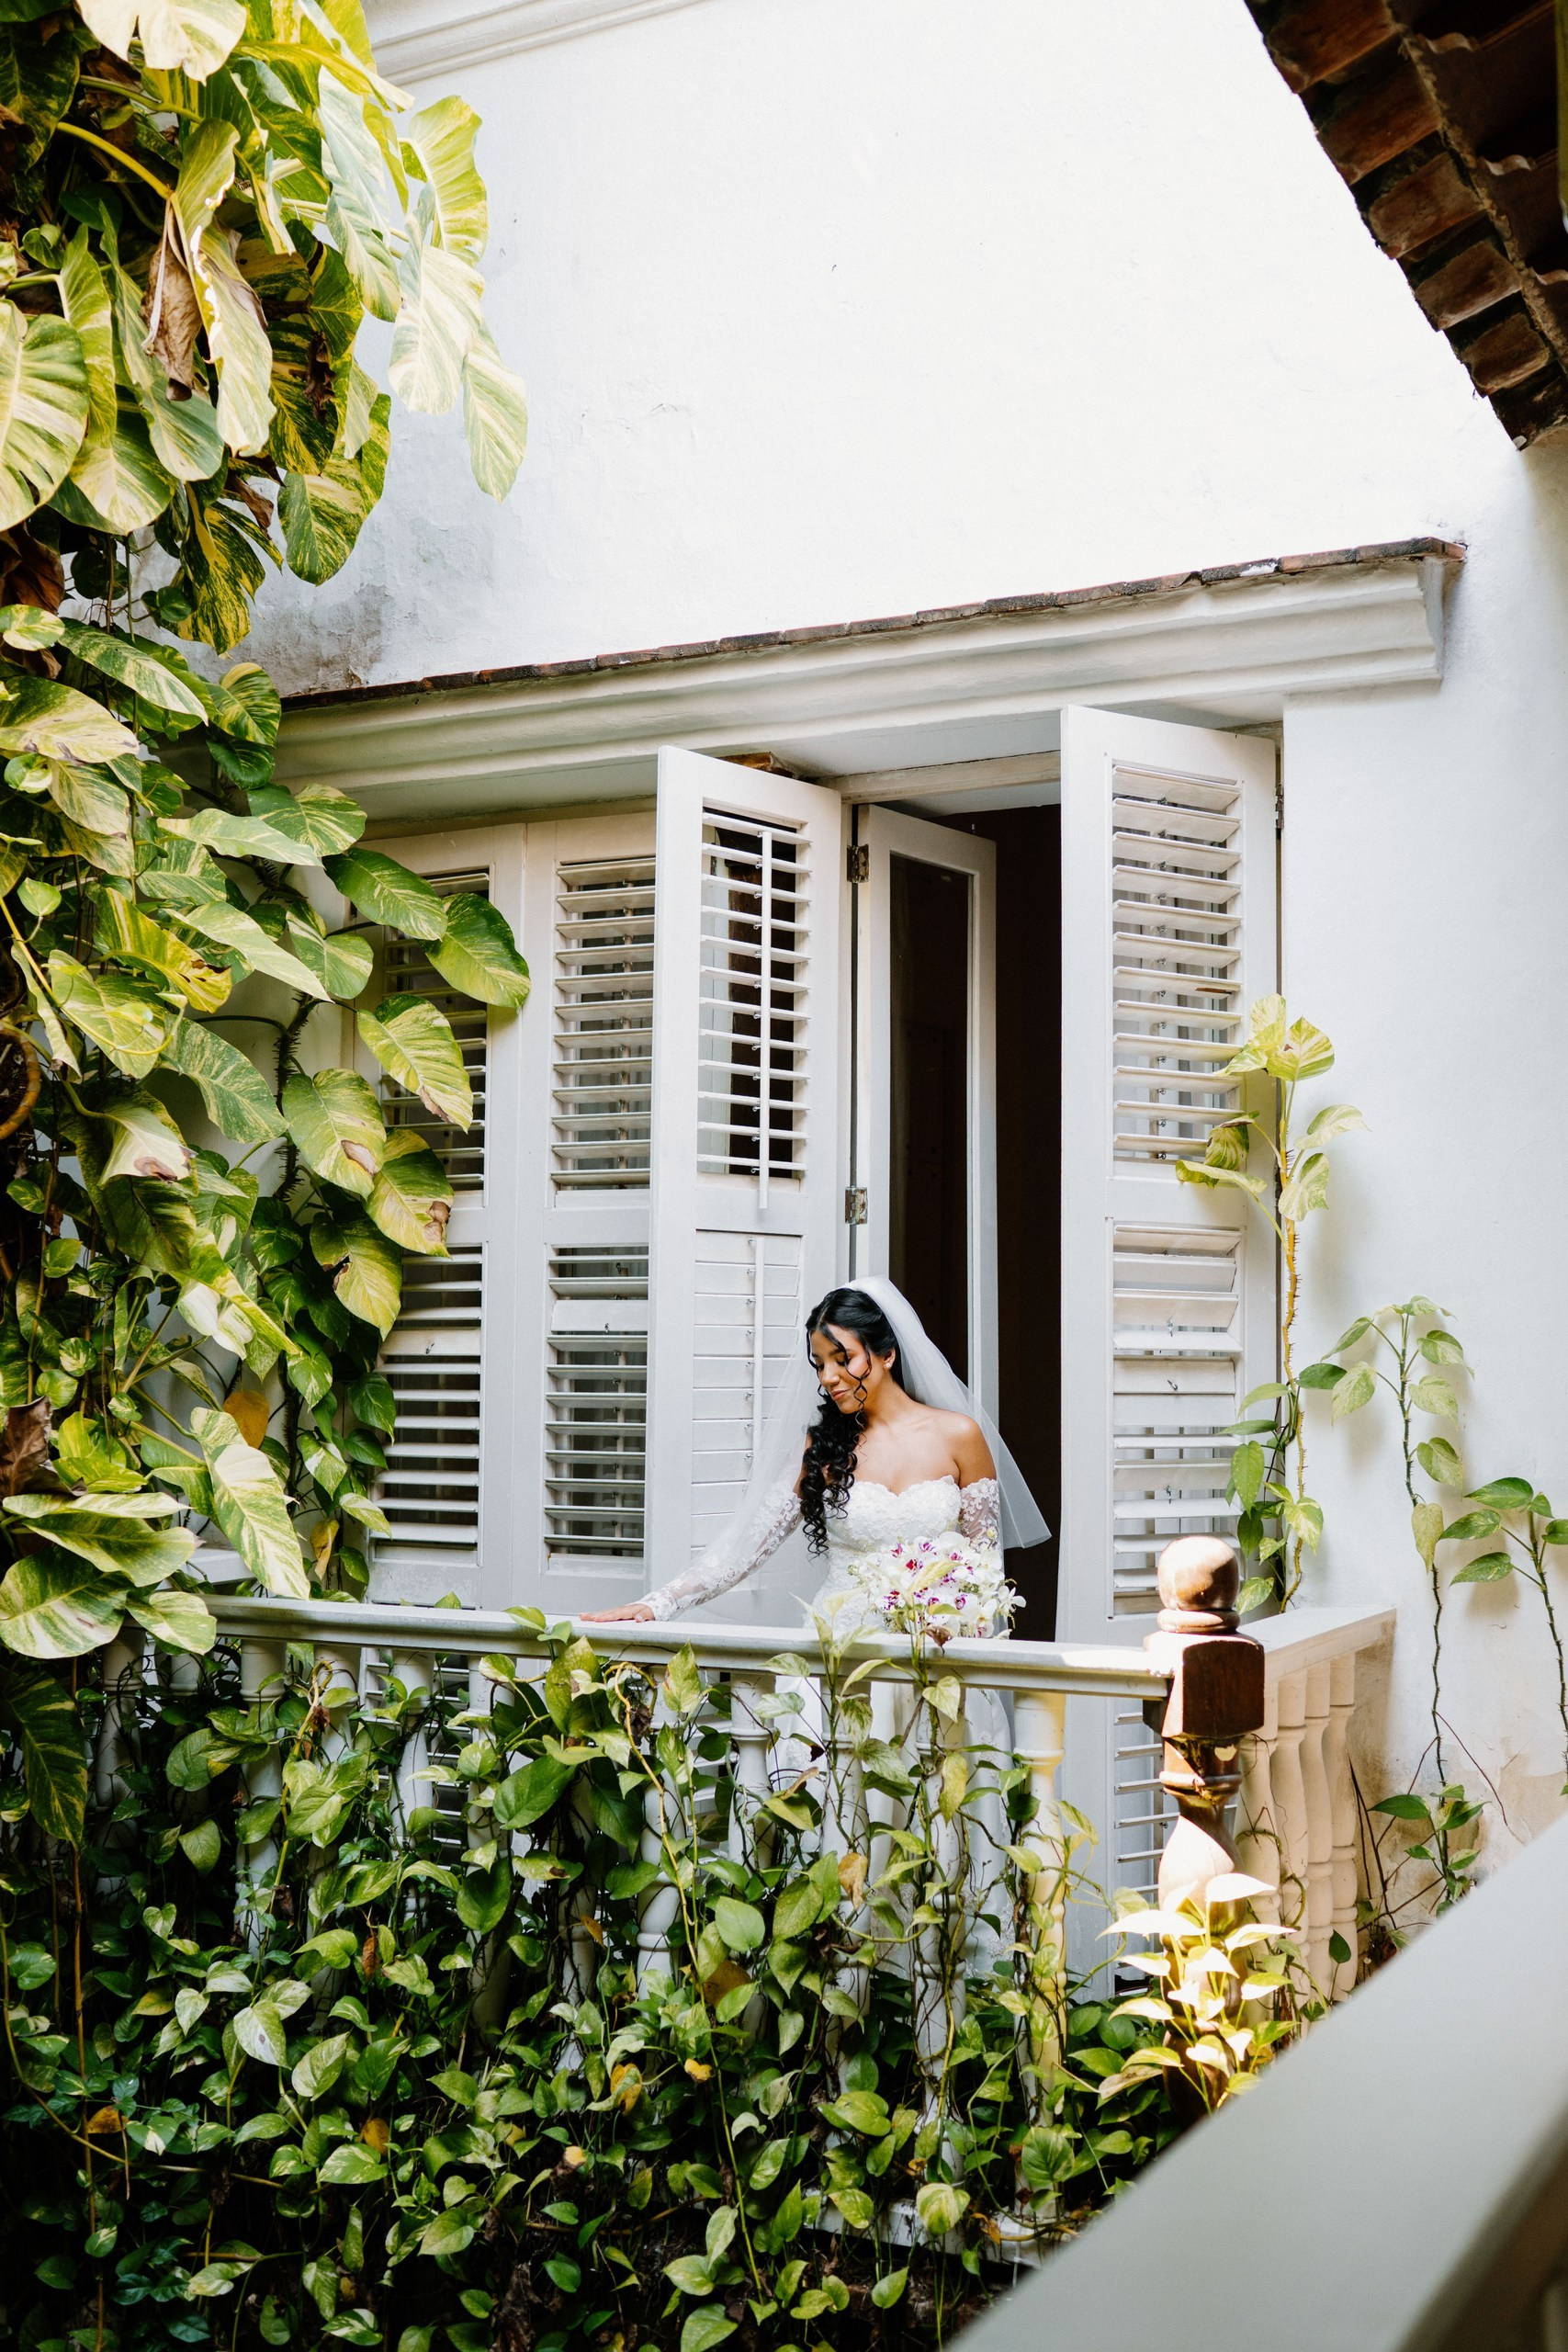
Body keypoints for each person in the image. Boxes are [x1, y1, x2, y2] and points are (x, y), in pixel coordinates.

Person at [581, 1278, 1046, 1627]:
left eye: (843, 1359)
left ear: (886, 1355)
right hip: (837, 1649)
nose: (828, 1376)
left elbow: (984, 1572)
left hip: (935, 1652)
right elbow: (743, 1549)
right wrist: (657, 1604)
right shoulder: (823, 1448)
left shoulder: (958, 1436)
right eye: (820, 1363)